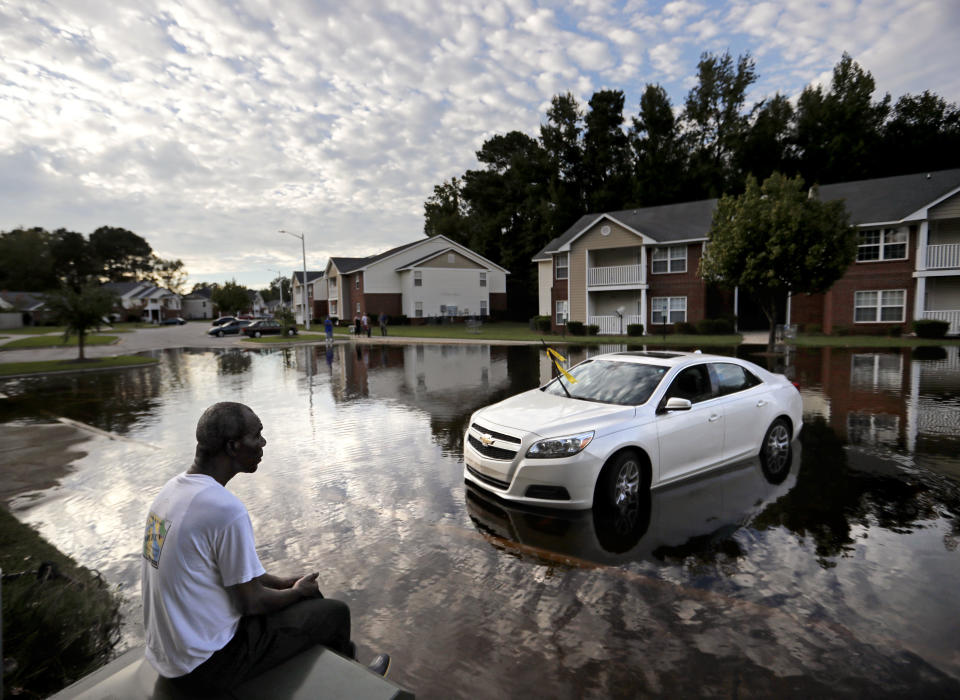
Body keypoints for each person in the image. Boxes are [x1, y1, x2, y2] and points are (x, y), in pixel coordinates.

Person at [141, 402, 389, 694]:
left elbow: (232, 574)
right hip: (207, 665)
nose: (263, 443)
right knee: (333, 613)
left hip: (169, 658)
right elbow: (251, 603)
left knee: (304, 600)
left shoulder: (169, 495)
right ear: (233, 446)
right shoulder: (224, 509)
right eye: (256, 435)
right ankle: (357, 687)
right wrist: (296, 593)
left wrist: (284, 584)